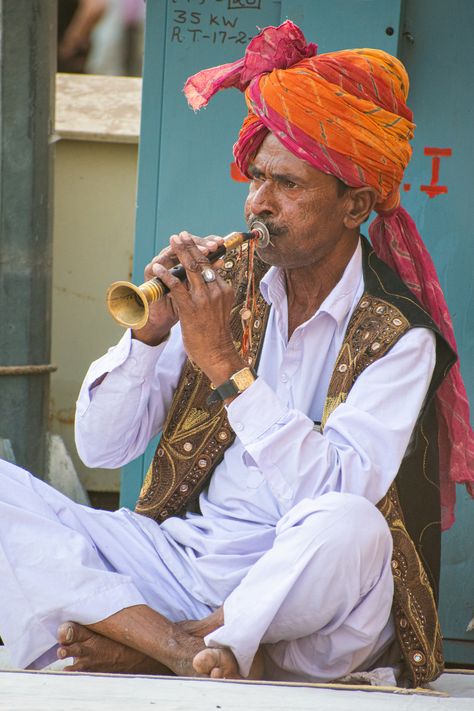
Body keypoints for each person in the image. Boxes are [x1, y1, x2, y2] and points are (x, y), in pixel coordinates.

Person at [0, 22, 472, 685]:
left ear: (355, 203)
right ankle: (175, 645)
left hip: (307, 599)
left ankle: (161, 639)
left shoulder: (401, 337)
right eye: (256, 179)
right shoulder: (224, 294)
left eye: (287, 185)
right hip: (179, 564)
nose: (258, 203)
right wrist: (150, 335)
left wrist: (226, 365)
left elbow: (336, 492)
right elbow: (102, 448)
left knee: (352, 523)